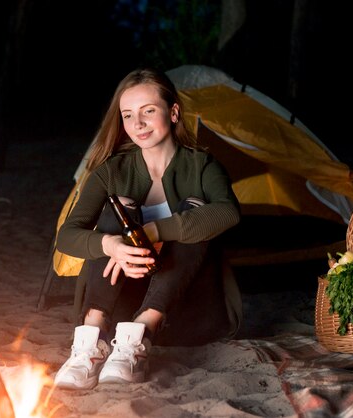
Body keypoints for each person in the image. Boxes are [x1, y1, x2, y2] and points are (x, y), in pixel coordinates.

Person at [53, 68, 241, 390]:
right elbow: (67, 236)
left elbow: (228, 213)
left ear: (174, 111)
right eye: (128, 115)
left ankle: (139, 337)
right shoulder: (111, 171)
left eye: (148, 111)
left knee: (195, 209)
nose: (137, 124)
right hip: (117, 309)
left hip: (183, 310)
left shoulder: (202, 166)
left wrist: (154, 232)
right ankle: (90, 345)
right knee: (118, 208)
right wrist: (111, 245)